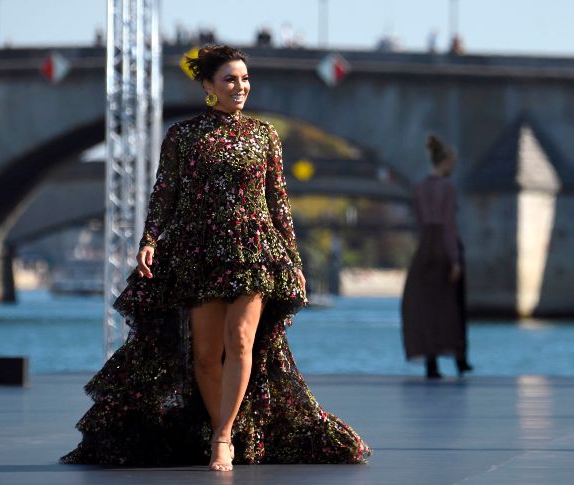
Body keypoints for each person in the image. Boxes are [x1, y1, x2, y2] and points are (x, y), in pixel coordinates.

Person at [59, 44, 371, 471]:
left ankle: (222, 438)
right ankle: (220, 426)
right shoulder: (184, 136)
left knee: (240, 339)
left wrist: (294, 261)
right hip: (198, 250)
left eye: (244, 78)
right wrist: (150, 238)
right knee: (205, 353)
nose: (240, 86)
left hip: (254, 249)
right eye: (229, 79)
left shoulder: (265, 135)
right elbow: (165, 191)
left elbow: (277, 200)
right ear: (208, 85)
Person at [401, 133, 473, 379]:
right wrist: (455, 259)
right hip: (443, 246)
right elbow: (449, 225)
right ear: (447, 161)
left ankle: (431, 363)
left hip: (425, 247)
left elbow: (420, 221)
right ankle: (460, 359)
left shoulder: (419, 188)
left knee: (425, 305)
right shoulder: (448, 188)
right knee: (449, 306)